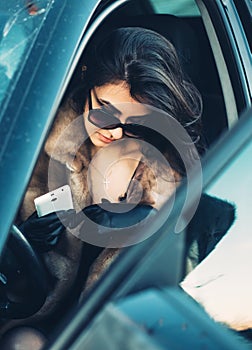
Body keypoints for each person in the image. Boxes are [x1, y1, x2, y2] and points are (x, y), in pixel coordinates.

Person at [14, 26, 204, 325]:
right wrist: (26, 239)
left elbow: (184, 284)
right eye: (104, 112)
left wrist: (151, 227)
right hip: (29, 310)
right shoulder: (37, 139)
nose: (114, 132)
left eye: (135, 124)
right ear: (86, 77)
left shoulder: (173, 180)